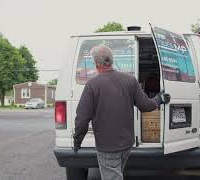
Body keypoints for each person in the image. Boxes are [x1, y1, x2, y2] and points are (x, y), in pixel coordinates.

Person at [73, 44, 170, 180]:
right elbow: (146, 105)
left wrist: (77, 141)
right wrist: (159, 99)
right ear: (111, 60)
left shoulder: (92, 85)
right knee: (116, 173)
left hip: (107, 147)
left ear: (96, 63)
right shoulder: (130, 80)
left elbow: (82, 119)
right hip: (126, 144)